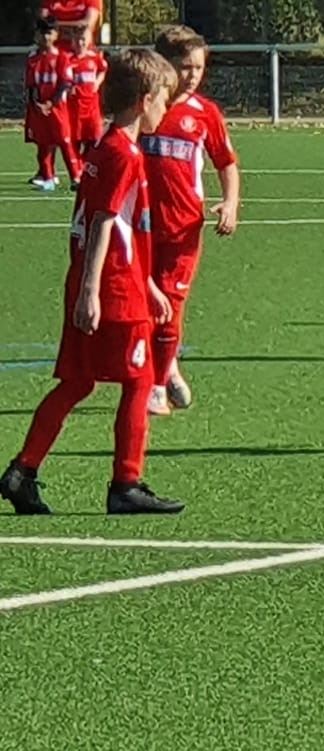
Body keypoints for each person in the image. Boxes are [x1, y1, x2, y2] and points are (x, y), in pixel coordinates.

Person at [1, 49, 182, 516]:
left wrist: (146, 283)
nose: (166, 107)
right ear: (144, 100)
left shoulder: (103, 148)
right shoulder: (126, 154)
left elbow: (119, 227)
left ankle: (23, 471)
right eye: (164, 98)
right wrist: (93, 291)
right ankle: (126, 483)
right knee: (140, 380)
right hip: (112, 291)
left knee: (78, 382)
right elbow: (103, 222)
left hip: (105, 281)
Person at [144, 25, 242, 416]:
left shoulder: (205, 113)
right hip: (139, 225)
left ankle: (155, 385)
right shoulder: (144, 106)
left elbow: (226, 163)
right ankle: (165, 365)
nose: (192, 75)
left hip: (182, 227)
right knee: (140, 304)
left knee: (170, 303)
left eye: (198, 68)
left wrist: (230, 202)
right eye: (184, 66)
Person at [23, 17, 79, 193]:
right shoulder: (33, 58)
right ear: (37, 35)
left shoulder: (62, 58)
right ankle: (48, 178)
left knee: (65, 141)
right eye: (42, 33)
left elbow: (65, 83)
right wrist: (37, 104)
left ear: (55, 35)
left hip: (57, 108)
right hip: (39, 110)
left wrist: (50, 103)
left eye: (49, 33)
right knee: (43, 144)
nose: (45, 37)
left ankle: (76, 177)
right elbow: (31, 85)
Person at [66, 25, 106, 161]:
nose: (80, 43)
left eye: (83, 39)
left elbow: (103, 70)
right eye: (77, 39)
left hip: (91, 106)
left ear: (88, 40)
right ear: (72, 41)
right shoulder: (67, 59)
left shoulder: (94, 57)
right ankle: (77, 167)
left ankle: (87, 163)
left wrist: (97, 83)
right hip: (75, 107)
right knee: (74, 140)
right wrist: (68, 88)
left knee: (94, 139)